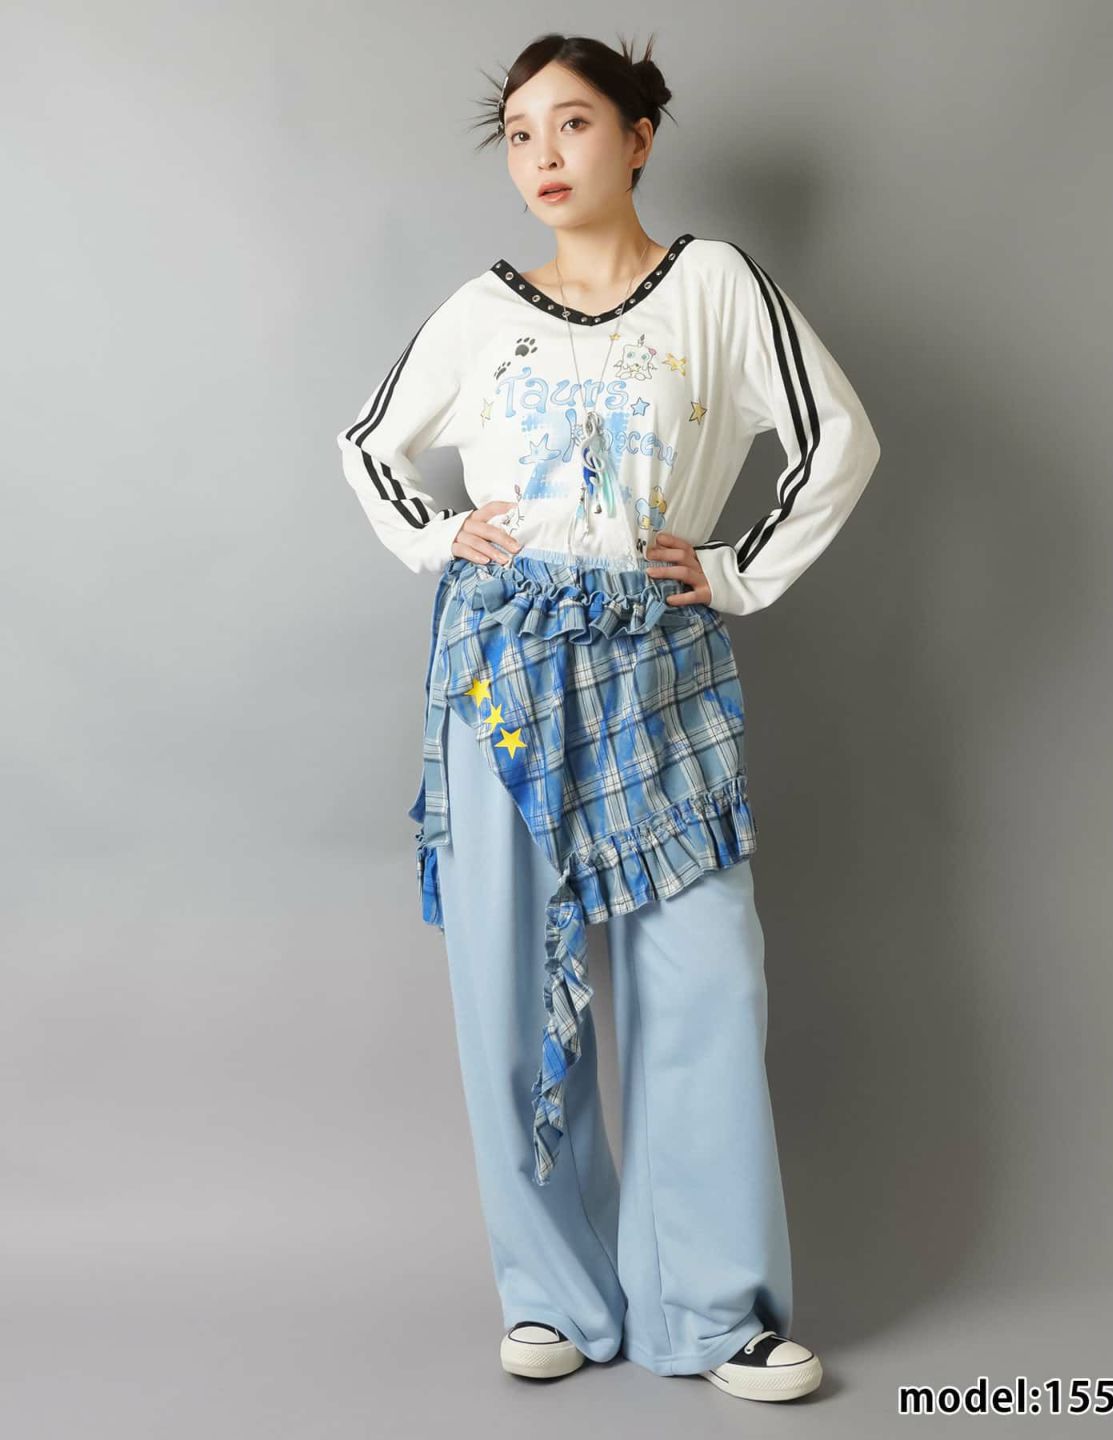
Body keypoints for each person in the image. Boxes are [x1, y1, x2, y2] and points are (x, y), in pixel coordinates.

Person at [335, 30, 881, 1405]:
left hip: (658, 666)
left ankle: (713, 1312)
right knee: (508, 983)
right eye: (519, 134)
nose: (544, 156)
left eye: (573, 124)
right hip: (502, 672)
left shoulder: (717, 287)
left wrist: (736, 569)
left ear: (639, 137)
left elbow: (836, 439)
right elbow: (369, 445)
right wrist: (443, 537)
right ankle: (555, 1297)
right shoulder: (483, 311)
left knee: (705, 981)